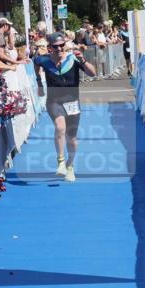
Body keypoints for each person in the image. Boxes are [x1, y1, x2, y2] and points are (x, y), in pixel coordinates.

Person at [33, 33, 96, 183]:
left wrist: (83, 60)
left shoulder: (73, 58)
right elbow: (35, 61)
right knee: (60, 127)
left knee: (72, 138)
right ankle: (60, 162)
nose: (59, 48)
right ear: (50, 48)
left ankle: (70, 165)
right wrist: (39, 82)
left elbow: (93, 73)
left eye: (62, 45)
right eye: (56, 46)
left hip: (72, 102)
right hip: (54, 102)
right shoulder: (44, 60)